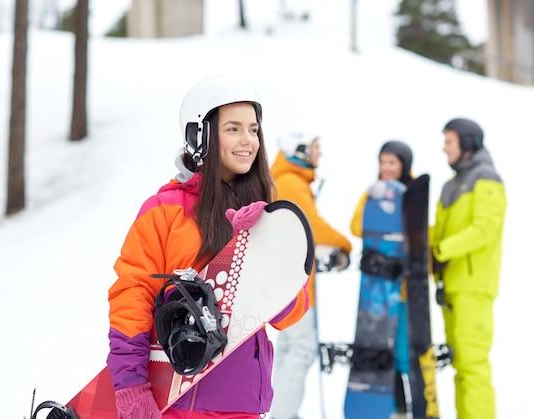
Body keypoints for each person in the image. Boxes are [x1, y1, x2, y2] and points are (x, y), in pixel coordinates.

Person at [106, 75, 309, 419]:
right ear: (199, 135)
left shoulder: (264, 213)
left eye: (254, 129)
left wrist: (261, 250)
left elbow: (291, 314)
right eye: (233, 129)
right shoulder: (164, 210)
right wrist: (130, 386)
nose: (248, 140)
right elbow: (132, 295)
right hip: (179, 402)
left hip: (245, 402)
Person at [269, 130, 352, 419]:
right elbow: (311, 225)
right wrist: (344, 244)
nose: (320, 153)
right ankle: (283, 413)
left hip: (288, 280)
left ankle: (280, 410)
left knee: (290, 348)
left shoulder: (288, 180)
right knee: (301, 349)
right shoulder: (291, 183)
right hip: (296, 284)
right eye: (316, 148)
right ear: (302, 150)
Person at [430, 118, 507, 419]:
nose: (444, 148)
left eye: (449, 141)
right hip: (452, 285)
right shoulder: (453, 184)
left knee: (472, 366)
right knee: (462, 365)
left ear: (467, 143)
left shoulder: (486, 178)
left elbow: (485, 228)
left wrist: (442, 251)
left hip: (473, 287)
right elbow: (441, 231)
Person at [349, 140, 414, 417]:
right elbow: (356, 226)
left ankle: (401, 410)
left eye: (392, 163)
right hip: (376, 294)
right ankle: (385, 410)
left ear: (404, 165)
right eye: (383, 162)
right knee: (379, 353)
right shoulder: (372, 195)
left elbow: (423, 236)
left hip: (403, 294)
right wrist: (373, 201)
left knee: (401, 357)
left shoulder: (413, 196)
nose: (386, 168)